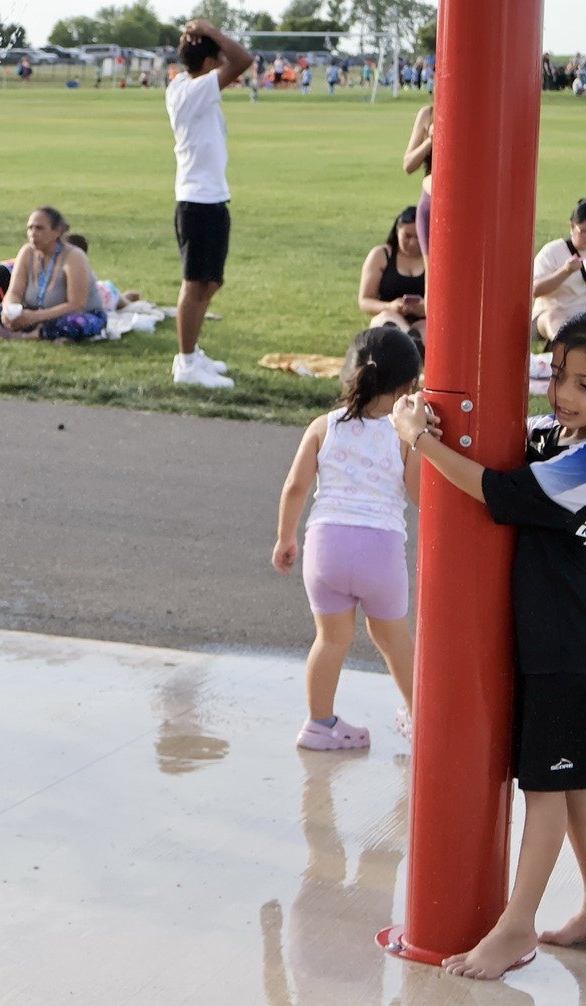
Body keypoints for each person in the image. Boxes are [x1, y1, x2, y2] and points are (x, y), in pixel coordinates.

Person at [390, 316, 586, 979]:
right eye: (558, 375)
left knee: (548, 789)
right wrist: (432, 436)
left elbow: (494, 490)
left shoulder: (584, 465)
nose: (565, 394)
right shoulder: (560, 438)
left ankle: (515, 924)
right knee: (575, 786)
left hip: (569, 653)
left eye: (583, 384)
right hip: (556, 644)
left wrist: (419, 438)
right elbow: (508, 454)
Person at [272, 327, 421, 752]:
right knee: (393, 639)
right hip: (381, 551)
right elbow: (418, 495)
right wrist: (423, 438)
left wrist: (286, 537)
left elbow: (295, 485)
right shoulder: (403, 435)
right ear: (407, 387)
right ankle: (419, 717)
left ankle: (319, 724)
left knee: (331, 639)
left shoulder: (323, 426)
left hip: (326, 548)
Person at [167, 18, 253, 388]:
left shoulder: (191, 87)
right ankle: (185, 362)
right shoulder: (192, 90)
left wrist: (205, 36)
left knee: (211, 281)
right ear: (206, 63)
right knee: (194, 283)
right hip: (197, 201)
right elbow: (243, 59)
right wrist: (211, 30)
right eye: (215, 55)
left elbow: (234, 61)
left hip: (211, 198)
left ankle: (192, 351)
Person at [0, 206, 109, 341]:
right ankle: (39, 331)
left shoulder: (74, 257)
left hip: (77, 314)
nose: (33, 233)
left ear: (57, 231)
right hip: (36, 313)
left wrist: (33, 317)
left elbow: (76, 305)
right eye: (30, 228)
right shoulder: (27, 252)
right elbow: (14, 292)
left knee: (72, 323)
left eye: (39, 228)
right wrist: (10, 310)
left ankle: (26, 336)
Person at [358, 206, 426, 340]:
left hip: (424, 322)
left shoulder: (435, 260)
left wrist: (425, 307)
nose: (413, 242)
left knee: (428, 331)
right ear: (397, 231)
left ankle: (412, 344)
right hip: (389, 317)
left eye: (418, 237)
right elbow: (364, 301)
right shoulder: (381, 255)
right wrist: (390, 306)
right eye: (407, 236)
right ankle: (409, 342)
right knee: (387, 321)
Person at [532, 201, 586, 343]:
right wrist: (565, 271)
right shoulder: (553, 251)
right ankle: (567, 351)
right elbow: (535, 290)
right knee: (553, 318)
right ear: (572, 226)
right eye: (584, 231)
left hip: (583, 316)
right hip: (554, 314)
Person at [404, 103, 434, 255]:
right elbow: (408, 165)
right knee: (433, 274)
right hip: (431, 202)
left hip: (471, 205)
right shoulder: (428, 114)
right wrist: (429, 141)